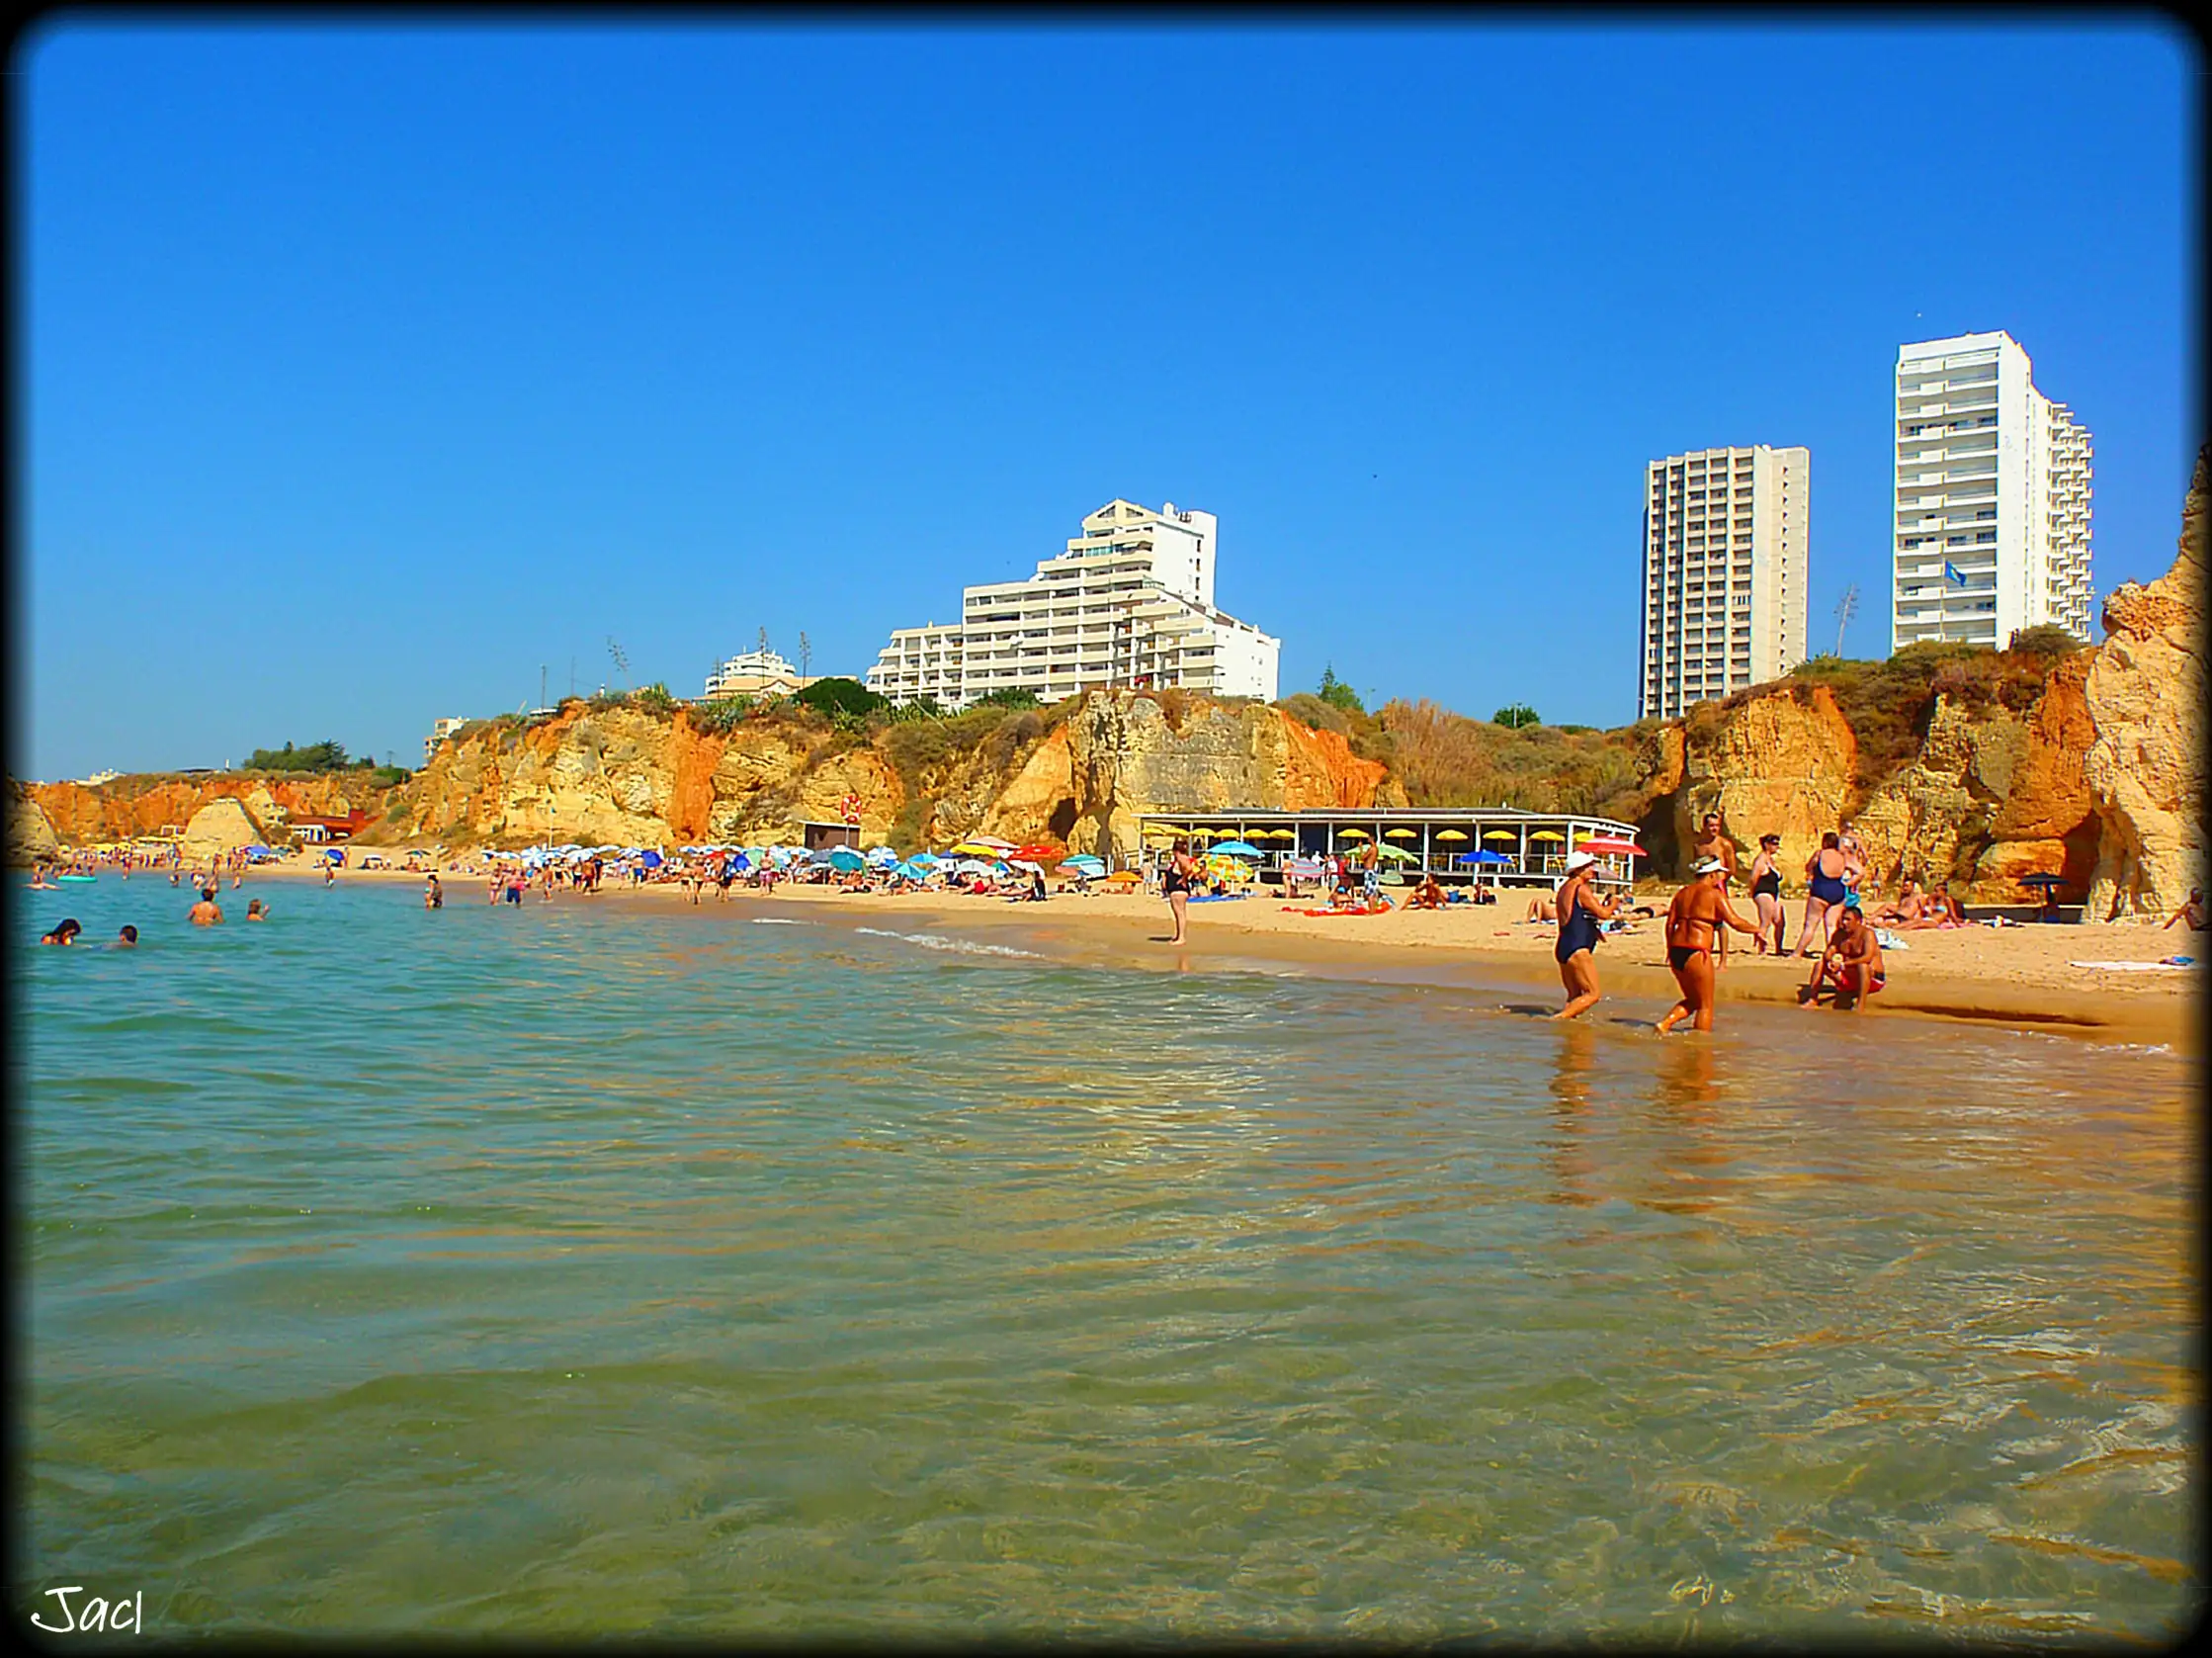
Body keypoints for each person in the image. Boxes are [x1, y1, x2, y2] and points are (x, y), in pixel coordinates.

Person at [1656, 857, 1761, 1034]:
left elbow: (1669, 924)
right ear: (1712, 874)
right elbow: (1734, 921)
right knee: (1705, 1005)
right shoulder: (1714, 895)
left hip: (1676, 951)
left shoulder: (1682, 893)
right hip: (1697, 951)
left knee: (1693, 1000)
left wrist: (1668, 948)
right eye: (1719, 873)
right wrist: (1757, 930)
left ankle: (1665, 1024)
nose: (1721, 876)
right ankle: (1701, 1048)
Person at [1551, 850, 1618, 1020]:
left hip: (1564, 945)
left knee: (1575, 996)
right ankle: (1556, 1021)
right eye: (1589, 866)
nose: (1592, 869)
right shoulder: (1581, 888)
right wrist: (1613, 903)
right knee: (1592, 994)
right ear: (1578, 869)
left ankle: (1570, 1037)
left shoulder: (1564, 888)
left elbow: (1576, 916)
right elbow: (1603, 914)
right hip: (1577, 948)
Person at [1803, 905, 1886, 1011]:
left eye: (1848, 920)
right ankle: (1813, 999)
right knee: (1820, 964)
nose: (1844, 922)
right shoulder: (1840, 934)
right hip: (1849, 978)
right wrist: (1830, 960)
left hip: (1872, 980)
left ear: (1858, 921)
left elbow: (1867, 957)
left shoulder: (1867, 934)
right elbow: (1829, 952)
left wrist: (1843, 964)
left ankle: (1860, 1005)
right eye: (1843, 919)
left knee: (1863, 966)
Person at [1690, 812, 1740, 971]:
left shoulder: (1724, 844)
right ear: (1704, 826)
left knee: (1720, 923)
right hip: (1701, 886)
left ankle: (1723, 960)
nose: (1714, 829)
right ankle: (1704, 956)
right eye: (1711, 825)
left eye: (1717, 825)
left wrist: (1720, 881)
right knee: (1702, 920)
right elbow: (1696, 865)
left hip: (1717, 885)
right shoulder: (1698, 845)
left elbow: (1732, 868)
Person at [1795, 832, 1850, 958]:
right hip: (1838, 890)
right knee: (1831, 926)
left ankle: (1797, 953)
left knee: (1810, 926)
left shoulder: (1820, 854)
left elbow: (1808, 866)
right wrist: (1850, 882)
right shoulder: (1842, 857)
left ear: (1825, 842)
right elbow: (1859, 871)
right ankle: (1831, 953)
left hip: (1821, 890)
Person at [1747, 833, 1786, 955]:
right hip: (1763, 892)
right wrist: (1752, 892)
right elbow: (1753, 878)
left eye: (1777, 844)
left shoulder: (1771, 860)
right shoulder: (1760, 860)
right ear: (1766, 844)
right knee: (1766, 921)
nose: (1777, 846)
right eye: (1774, 843)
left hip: (1773, 894)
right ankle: (1761, 949)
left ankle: (1778, 948)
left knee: (1780, 921)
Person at [1163, 836, 1198, 945]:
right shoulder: (1179, 860)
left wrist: (1183, 879)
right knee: (1178, 913)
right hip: (1176, 890)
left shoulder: (1182, 858)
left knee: (1180, 913)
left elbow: (1189, 869)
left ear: (1174, 851)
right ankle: (1179, 935)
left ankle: (1181, 937)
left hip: (1179, 890)